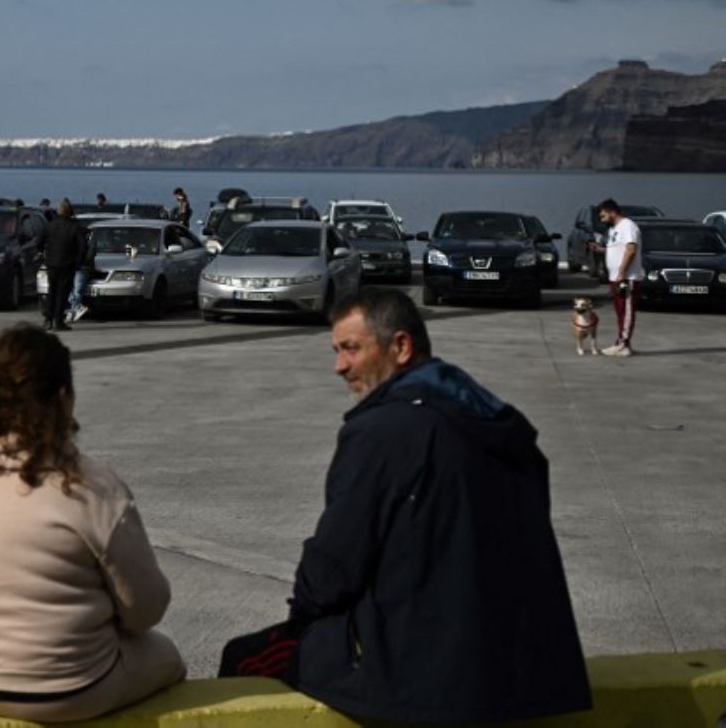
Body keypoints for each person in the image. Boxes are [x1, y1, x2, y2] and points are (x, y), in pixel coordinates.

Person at [219, 289, 590, 723]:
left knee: (244, 657)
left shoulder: (383, 431)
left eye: (351, 349)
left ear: (401, 346)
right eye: (337, 351)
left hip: (423, 677)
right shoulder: (499, 424)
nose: (339, 367)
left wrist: (304, 618)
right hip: (524, 668)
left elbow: (334, 566)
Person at [0, 325, 185, 722]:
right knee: (167, 658)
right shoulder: (91, 487)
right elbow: (146, 610)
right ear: (63, 398)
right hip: (64, 689)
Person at [598, 199, 644, 356]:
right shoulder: (613, 229)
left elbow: (631, 250)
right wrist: (601, 249)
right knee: (620, 312)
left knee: (626, 311)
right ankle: (621, 342)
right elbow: (617, 249)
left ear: (612, 212)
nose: (601, 218)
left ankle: (624, 344)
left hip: (626, 278)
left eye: (603, 215)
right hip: (616, 278)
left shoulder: (627, 226)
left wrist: (622, 273)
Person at [40, 201, 85, 332]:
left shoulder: (50, 226)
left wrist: (43, 255)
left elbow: (39, 241)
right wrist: (78, 261)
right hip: (67, 264)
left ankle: (48, 320)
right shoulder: (75, 226)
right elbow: (82, 247)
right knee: (62, 293)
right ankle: (58, 321)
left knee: (52, 291)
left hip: (52, 263)